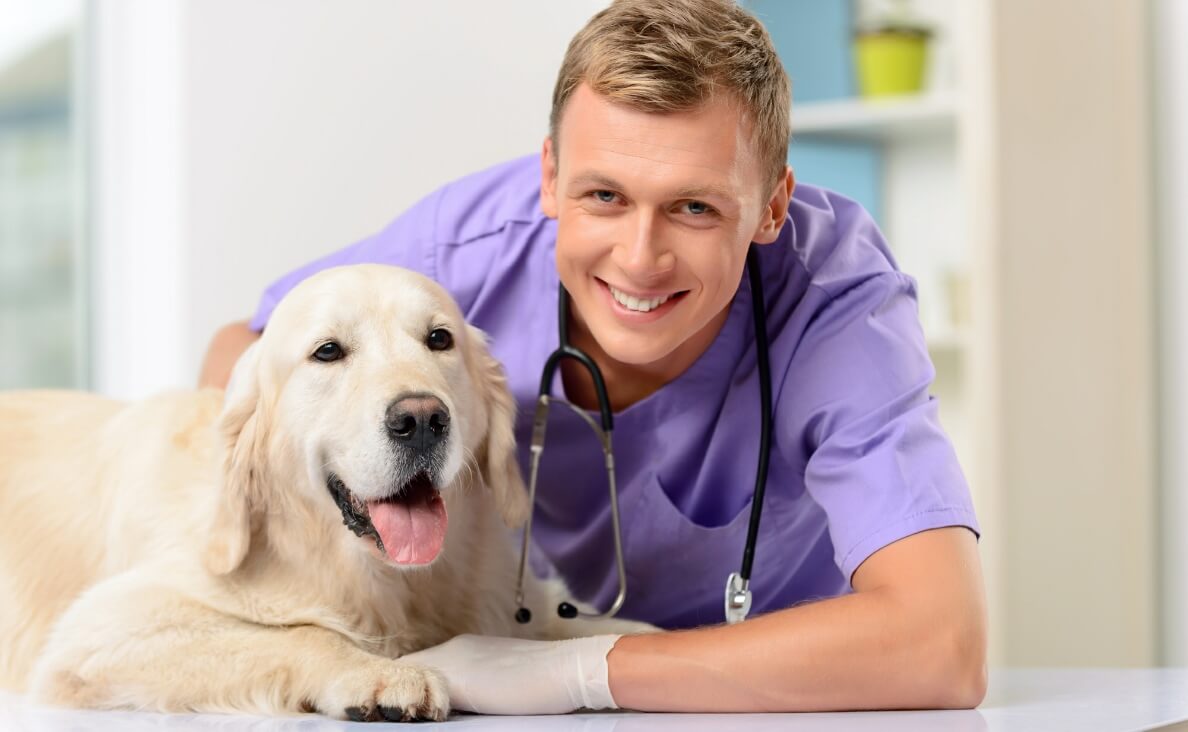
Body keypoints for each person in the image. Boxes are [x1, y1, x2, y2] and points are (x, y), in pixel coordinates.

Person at [199, 0, 986, 715]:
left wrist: (580, 673)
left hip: (776, 694)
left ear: (773, 205)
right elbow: (241, 354)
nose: (640, 258)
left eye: (694, 206)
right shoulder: (462, 251)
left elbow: (941, 644)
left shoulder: (840, 299)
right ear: (549, 175)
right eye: (603, 195)